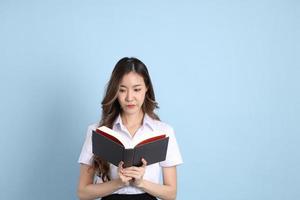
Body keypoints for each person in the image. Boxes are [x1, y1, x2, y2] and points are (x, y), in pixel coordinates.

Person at [77, 57, 183, 200]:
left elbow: (171, 194)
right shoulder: (97, 131)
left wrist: (141, 182)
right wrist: (119, 183)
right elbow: (83, 193)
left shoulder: (163, 131)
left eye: (137, 89)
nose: (129, 97)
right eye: (122, 90)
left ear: (147, 88)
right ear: (115, 92)